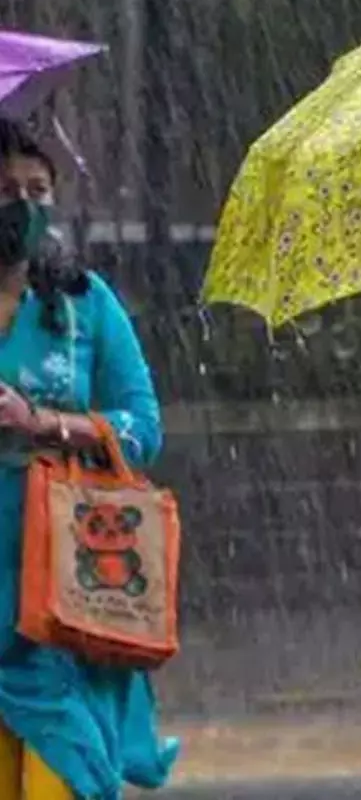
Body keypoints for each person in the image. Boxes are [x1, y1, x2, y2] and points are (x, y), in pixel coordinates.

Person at [0, 120, 176, 799]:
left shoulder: (83, 305)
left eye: (37, 188)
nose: (22, 203)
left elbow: (143, 429)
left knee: (62, 779)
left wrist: (45, 424)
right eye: (6, 189)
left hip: (62, 602)